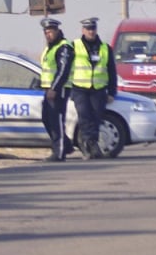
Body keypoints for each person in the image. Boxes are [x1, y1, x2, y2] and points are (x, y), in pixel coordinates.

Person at [70, 17, 117, 160]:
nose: (91, 31)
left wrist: (112, 92)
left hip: (98, 89)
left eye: (93, 29)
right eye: (88, 29)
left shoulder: (105, 48)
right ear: (83, 30)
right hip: (80, 88)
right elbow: (67, 69)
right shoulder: (74, 46)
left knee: (96, 118)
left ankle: (92, 145)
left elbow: (111, 71)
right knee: (84, 117)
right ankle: (89, 145)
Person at [39, 18, 75, 162]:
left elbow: (63, 70)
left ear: (57, 31)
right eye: (46, 32)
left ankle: (59, 153)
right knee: (46, 118)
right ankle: (66, 145)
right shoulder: (50, 47)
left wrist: (54, 88)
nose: (48, 35)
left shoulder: (64, 47)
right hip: (49, 89)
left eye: (50, 32)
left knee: (56, 120)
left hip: (59, 89)